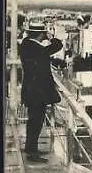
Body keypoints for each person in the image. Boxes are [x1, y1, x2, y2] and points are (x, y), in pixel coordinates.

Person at [19, 22, 63, 163]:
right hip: (38, 92)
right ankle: (32, 152)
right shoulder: (37, 49)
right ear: (40, 34)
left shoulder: (26, 45)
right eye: (43, 33)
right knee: (36, 121)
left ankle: (30, 148)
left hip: (31, 90)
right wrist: (51, 37)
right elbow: (57, 46)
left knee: (34, 121)